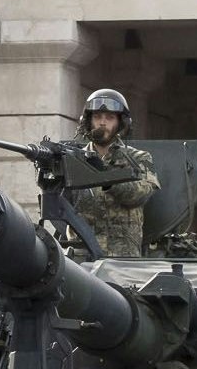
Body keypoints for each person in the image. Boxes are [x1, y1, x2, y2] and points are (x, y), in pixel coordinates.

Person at [69, 89, 161, 258]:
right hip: (81, 256)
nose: (102, 123)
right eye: (97, 117)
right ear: (88, 121)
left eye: (109, 117)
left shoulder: (139, 158)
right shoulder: (74, 160)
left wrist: (106, 177)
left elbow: (141, 193)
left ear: (121, 123)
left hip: (122, 257)